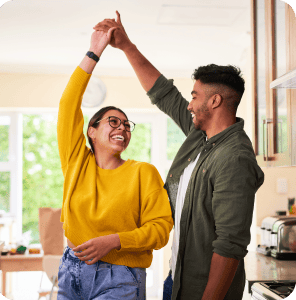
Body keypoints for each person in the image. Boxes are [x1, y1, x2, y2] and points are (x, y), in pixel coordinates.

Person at [94, 12, 265, 300]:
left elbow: (229, 245)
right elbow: (164, 93)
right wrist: (126, 46)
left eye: (195, 96)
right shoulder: (202, 136)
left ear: (214, 101)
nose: (189, 104)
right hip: (177, 279)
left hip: (201, 291)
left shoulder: (234, 158)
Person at [56, 26, 173, 300]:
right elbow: (67, 105)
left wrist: (114, 241)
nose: (122, 127)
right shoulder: (76, 163)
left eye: (126, 124)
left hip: (121, 275)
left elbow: (160, 230)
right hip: (71, 269)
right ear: (91, 131)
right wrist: (94, 51)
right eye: (113, 121)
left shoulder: (143, 173)